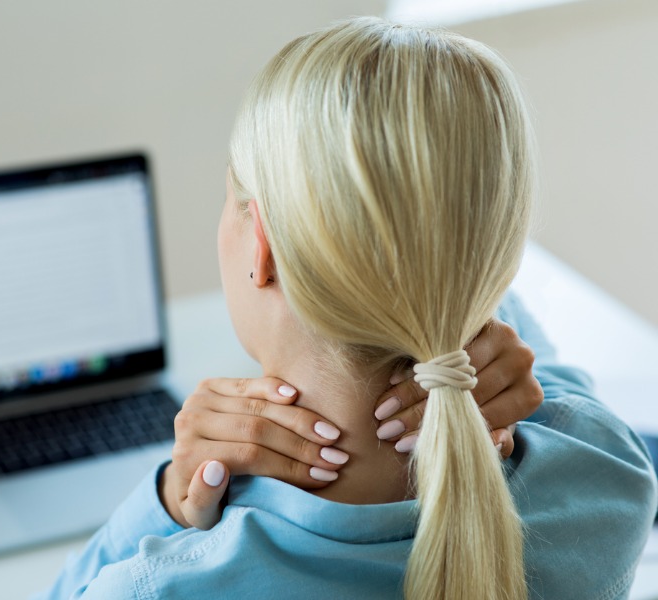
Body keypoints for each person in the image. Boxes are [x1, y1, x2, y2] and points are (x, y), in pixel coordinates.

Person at [37, 18, 657, 599]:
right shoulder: (609, 479)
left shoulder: (160, 585)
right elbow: (568, 396)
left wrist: (171, 500)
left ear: (264, 247)